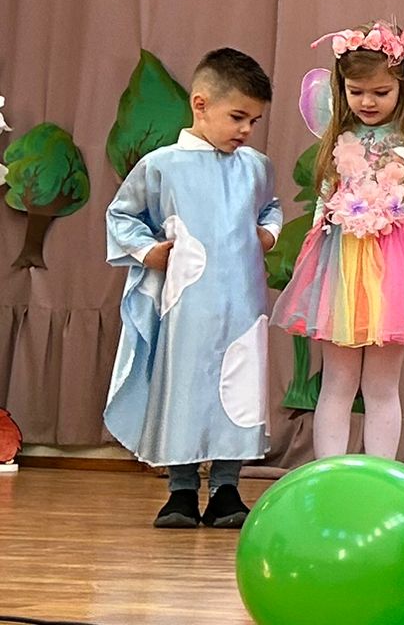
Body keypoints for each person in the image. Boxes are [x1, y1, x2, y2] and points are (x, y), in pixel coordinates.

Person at [105, 48, 282, 528]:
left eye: (254, 121)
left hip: (243, 304)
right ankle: (181, 490)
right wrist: (148, 251)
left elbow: (270, 207)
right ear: (201, 105)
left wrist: (269, 232)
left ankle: (226, 489)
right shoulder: (162, 166)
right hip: (187, 304)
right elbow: (122, 215)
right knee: (182, 386)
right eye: (237, 117)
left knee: (239, 389)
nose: (246, 130)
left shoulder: (256, 167)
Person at [274, 18, 404, 460]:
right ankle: (329, 471)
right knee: (337, 382)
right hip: (343, 261)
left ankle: (378, 475)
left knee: (382, 385)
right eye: (356, 92)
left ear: (403, 88)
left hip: (395, 264)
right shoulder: (340, 136)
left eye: (380, 92)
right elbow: (326, 195)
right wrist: (317, 242)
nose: (367, 102)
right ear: (342, 89)